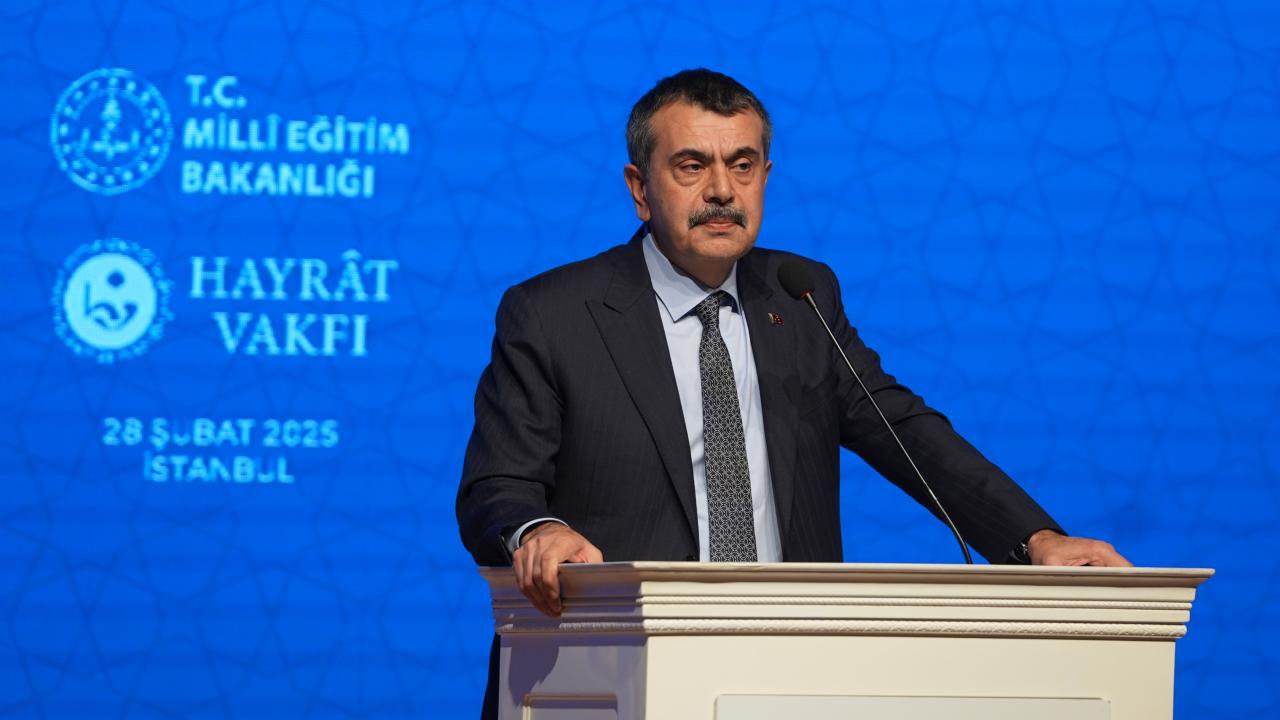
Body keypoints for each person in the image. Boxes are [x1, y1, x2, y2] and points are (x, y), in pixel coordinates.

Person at [457, 67, 1129, 717]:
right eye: (692, 166)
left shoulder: (802, 298)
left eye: (742, 165)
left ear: (765, 177)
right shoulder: (554, 313)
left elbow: (904, 430)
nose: (722, 190)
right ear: (640, 188)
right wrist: (537, 531)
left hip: (788, 668)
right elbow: (496, 487)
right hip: (609, 669)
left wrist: (1034, 539)